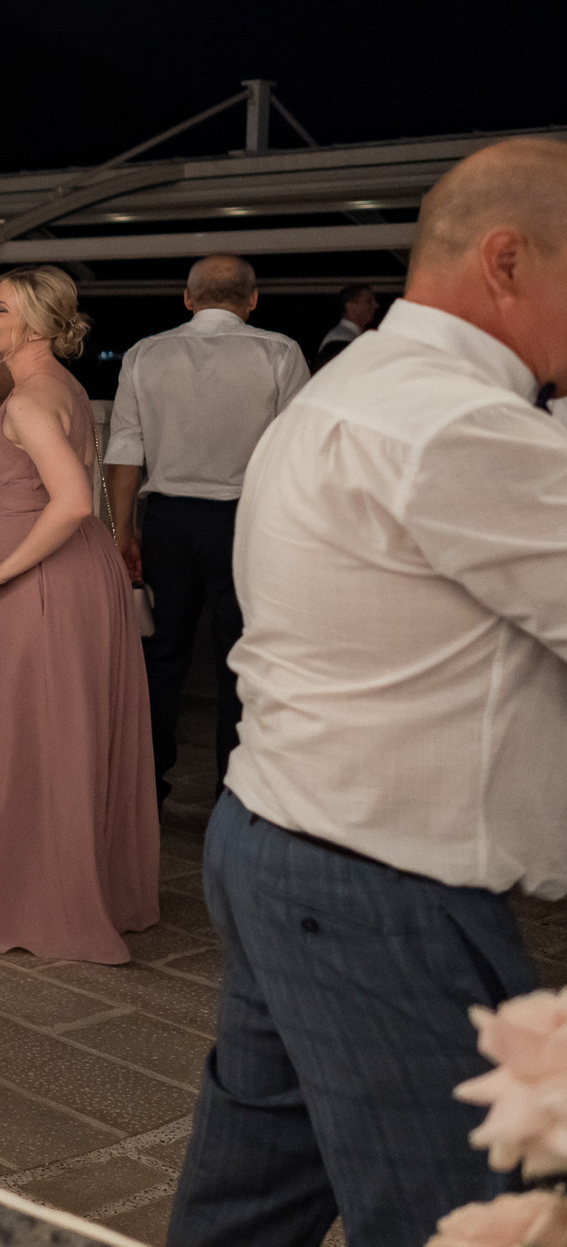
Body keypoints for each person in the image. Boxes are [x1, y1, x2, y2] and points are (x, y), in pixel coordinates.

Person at [167, 139, 567, 1247]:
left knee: (248, 1210)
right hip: (383, 887)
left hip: (280, 840)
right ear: (507, 260)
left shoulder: (370, 386)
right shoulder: (455, 422)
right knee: (473, 1222)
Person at [0, 267, 159, 964]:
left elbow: (70, 500)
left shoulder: (31, 399)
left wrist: (6, 566)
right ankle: (91, 887)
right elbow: (74, 485)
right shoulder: (60, 388)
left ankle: (47, 903)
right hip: (82, 568)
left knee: (41, 732)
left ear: (35, 326)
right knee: (71, 728)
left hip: (44, 574)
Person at [102, 254, 309, 803]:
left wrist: (122, 529)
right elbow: (297, 451)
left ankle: (144, 787)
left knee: (161, 653)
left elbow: (125, 449)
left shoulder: (146, 353)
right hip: (247, 523)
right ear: (253, 298)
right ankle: (234, 791)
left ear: (188, 298)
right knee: (241, 657)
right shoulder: (280, 353)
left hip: (167, 519)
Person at [314, 280, 380, 369]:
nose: (376, 305)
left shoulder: (347, 336)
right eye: (369, 301)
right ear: (351, 306)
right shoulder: (340, 339)